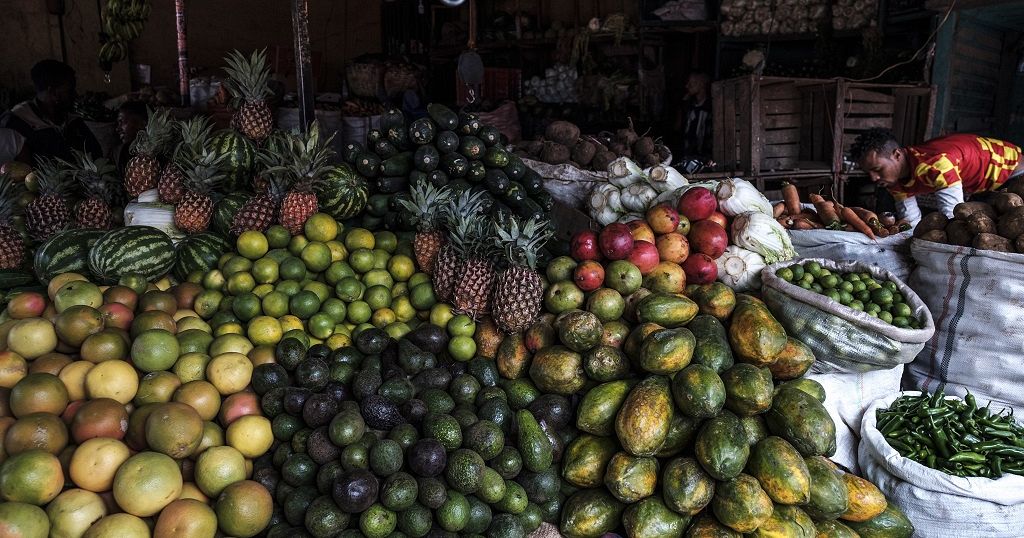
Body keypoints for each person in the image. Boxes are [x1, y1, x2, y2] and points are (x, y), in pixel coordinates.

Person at [851, 128, 1024, 225]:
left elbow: (953, 215)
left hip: (1013, 170)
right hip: (980, 183)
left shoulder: (937, 165)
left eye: (877, 169)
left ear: (897, 155)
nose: (873, 178)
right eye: (869, 173)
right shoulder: (892, 180)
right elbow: (911, 220)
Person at [0, 60, 101, 163]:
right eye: (70, 90)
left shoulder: (71, 120)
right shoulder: (16, 123)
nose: (75, 95)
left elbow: (97, 153)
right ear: (53, 92)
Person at [677, 72, 712, 158]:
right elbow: (678, 128)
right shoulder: (688, 106)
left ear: (701, 84)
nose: (687, 86)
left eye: (691, 83)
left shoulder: (711, 107)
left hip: (704, 157)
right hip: (687, 156)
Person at [114, 101, 148, 176]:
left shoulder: (161, 156)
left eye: (121, 121)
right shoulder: (120, 154)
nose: (118, 128)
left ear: (142, 123)